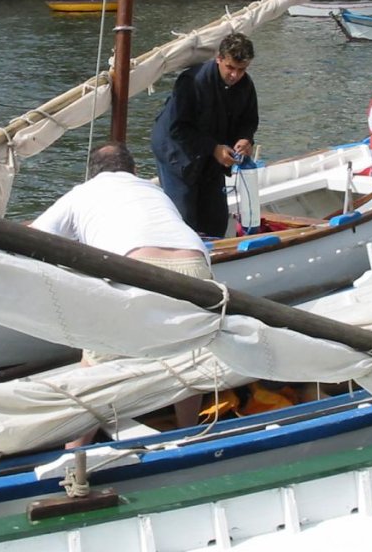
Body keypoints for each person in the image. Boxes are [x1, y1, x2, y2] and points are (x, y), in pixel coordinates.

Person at [30, 142, 211, 446]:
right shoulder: (154, 190)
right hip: (195, 264)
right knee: (187, 356)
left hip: (135, 267)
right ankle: (187, 434)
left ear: (91, 174)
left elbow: (34, 237)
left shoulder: (82, 193)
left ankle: (75, 454)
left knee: (95, 369)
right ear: (135, 170)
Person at [150, 32, 259, 238]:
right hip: (177, 153)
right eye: (230, 68)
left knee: (215, 220)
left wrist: (246, 139)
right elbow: (178, 128)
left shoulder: (245, 85)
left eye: (241, 70)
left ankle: (216, 258)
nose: (235, 75)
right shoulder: (192, 81)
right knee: (184, 219)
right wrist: (213, 148)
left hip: (212, 156)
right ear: (219, 59)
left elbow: (249, 120)